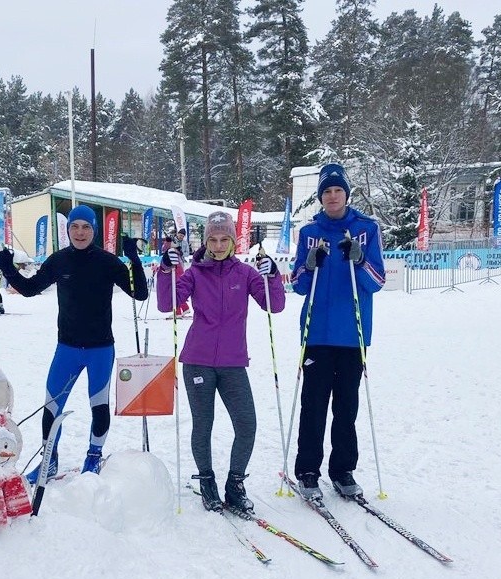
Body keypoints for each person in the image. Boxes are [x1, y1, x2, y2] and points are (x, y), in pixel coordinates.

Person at [0, 205, 148, 479]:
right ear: (68, 230)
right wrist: (8, 269)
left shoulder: (107, 262)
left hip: (100, 348)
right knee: (52, 405)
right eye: (75, 227)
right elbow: (30, 289)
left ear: (94, 230)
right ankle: (49, 461)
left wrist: (134, 259)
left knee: (98, 404)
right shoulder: (59, 260)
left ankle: (93, 456)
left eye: (86, 227)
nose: (80, 232)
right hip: (67, 348)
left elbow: (140, 294)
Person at [157, 210, 285, 514]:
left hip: (232, 363)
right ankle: (207, 480)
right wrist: (164, 271)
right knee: (203, 424)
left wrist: (272, 275)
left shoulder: (245, 274)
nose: (217, 245)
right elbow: (167, 304)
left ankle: (235, 483)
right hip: (198, 361)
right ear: (206, 240)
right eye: (212, 239)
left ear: (232, 240)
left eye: (223, 239)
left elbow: (274, 305)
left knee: (247, 423)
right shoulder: (195, 273)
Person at [291, 163, 385, 500]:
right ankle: (307, 471)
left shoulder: (366, 229)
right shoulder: (308, 233)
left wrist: (359, 259)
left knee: (346, 407)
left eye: (337, 191)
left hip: (352, 335)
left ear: (346, 194)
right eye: (326, 192)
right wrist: (308, 264)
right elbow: (298, 284)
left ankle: (343, 470)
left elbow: (377, 281)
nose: (332, 197)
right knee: (313, 405)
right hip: (316, 334)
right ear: (320, 197)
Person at [161, 236, 190, 318]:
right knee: (177, 291)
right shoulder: (174, 250)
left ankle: (177, 312)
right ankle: (185, 308)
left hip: (175, 271)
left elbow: (165, 249)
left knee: (174, 291)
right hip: (177, 270)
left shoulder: (172, 251)